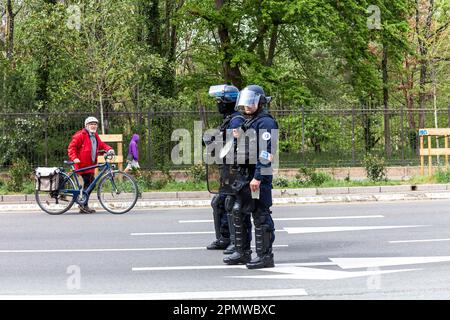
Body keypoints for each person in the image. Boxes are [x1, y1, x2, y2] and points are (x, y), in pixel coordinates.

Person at [223, 85, 278, 269]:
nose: (247, 105)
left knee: (260, 214)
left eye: (251, 101)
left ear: (260, 102)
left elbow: (267, 153)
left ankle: (265, 256)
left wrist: (258, 177)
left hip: (258, 177)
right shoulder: (249, 121)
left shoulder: (266, 123)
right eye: (245, 101)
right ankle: (243, 252)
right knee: (239, 210)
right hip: (245, 176)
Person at [206, 84, 245, 255]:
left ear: (228, 101)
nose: (218, 104)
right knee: (219, 203)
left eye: (219, 101)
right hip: (226, 167)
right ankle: (224, 238)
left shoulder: (236, 119)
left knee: (229, 203)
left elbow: (234, 144)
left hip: (233, 169)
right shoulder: (229, 118)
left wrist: (216, 142)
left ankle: (235, 241)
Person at [67, 116, 114, 214]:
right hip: (82, 165)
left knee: (90, 184)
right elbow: (71, 147)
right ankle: (83, 205)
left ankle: (83, 205)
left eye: (95, 124)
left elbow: (101, 145)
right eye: (91, 124)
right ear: (86, 125)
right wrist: (74, 158)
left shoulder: (95, 135)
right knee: (89, 184)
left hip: (90, 166)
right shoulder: (80, 135)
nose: (93, 126)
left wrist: (109, 149)